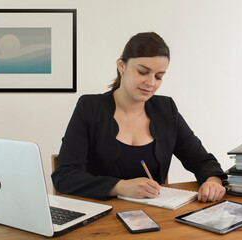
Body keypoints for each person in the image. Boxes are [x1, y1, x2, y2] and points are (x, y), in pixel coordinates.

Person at [52, 32, 227, 202]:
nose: (151, 83)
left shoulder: (166, 110)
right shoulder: (89, 108)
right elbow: (64, 176)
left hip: (154, 219)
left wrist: (213, 181)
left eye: (159, 76)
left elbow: (202, 161)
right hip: (101, 223)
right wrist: (120, 187)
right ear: (121, 66)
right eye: (143, 72)